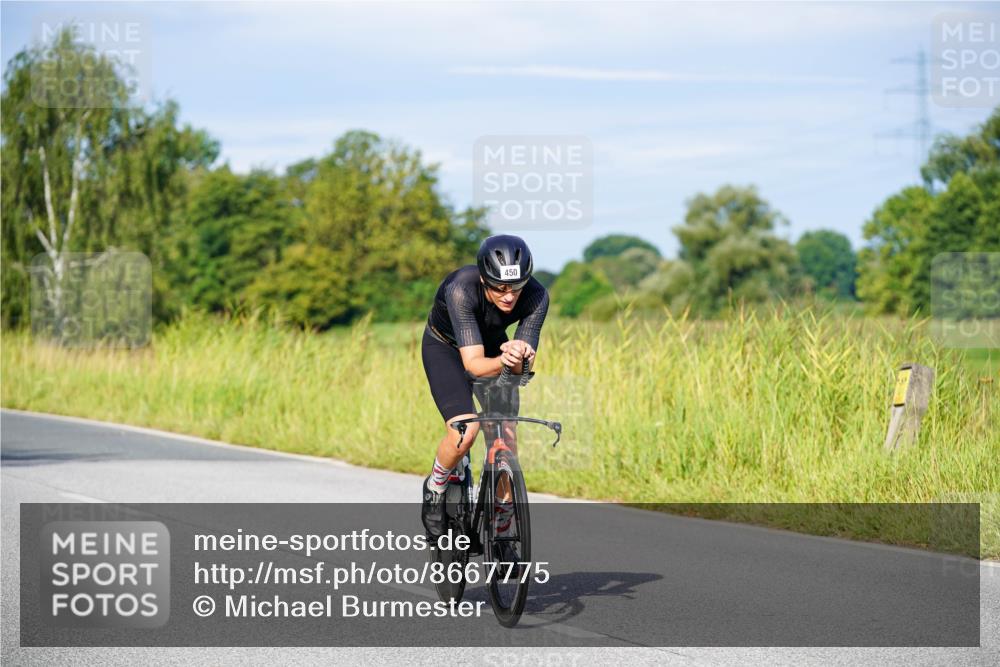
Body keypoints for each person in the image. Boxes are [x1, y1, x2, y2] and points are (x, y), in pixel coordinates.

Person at [420, 234, 549, 538]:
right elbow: (473, 365)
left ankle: (502, 525)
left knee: (506, 435)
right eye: (500, 287)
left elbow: (519, 370)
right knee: (465, 431)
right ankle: (436, 486)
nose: (509, 296)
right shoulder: (461, 289)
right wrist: (505, 359)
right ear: (483, 278)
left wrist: (519, 357)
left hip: (492, 345)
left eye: (516, 287)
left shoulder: (537, 296)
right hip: (446, 348)